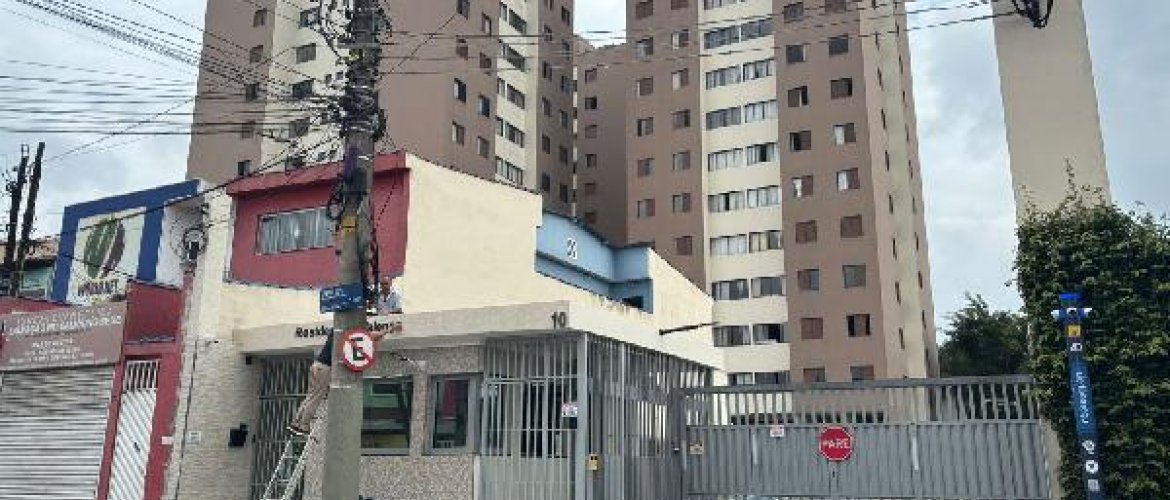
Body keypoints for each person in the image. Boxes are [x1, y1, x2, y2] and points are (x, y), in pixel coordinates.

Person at [288, 327, 387, 436]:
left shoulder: (337, 332)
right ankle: (304, 426)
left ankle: (296, 423)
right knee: (316, 398)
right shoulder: (346, 333)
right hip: (325, 368)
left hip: (317, 365)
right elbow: (370, 336)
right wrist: (388, 330)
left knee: (311, 396)